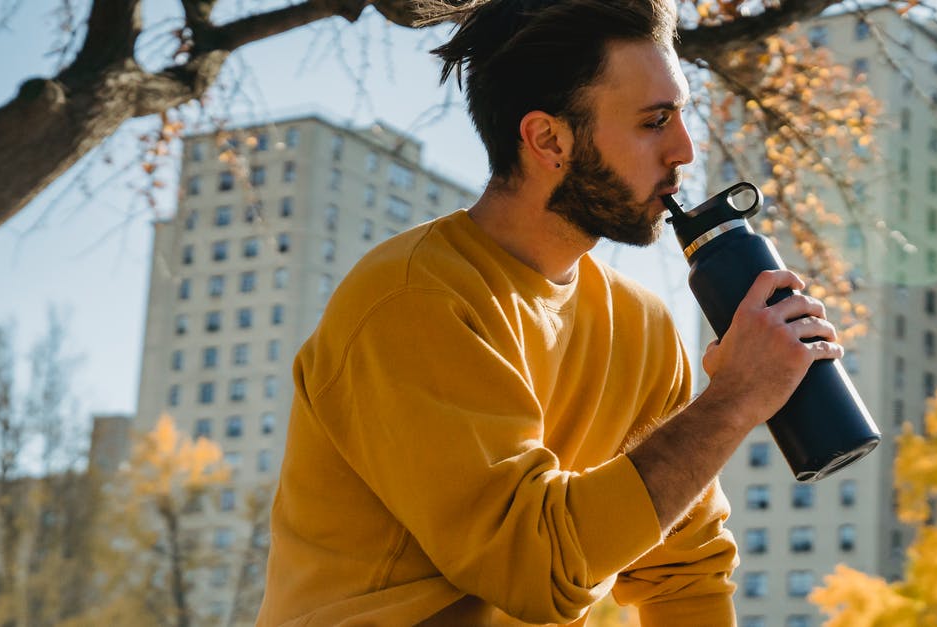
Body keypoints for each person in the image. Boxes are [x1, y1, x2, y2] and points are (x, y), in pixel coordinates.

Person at [257, 0, 842, 622]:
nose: (685, 150)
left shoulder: (640, 325)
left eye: (680, 117)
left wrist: (734, 398)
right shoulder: (414, 298)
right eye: (654, 122)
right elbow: (535, 566)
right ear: (548, 139)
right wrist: (734, 400)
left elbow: (684, 575)